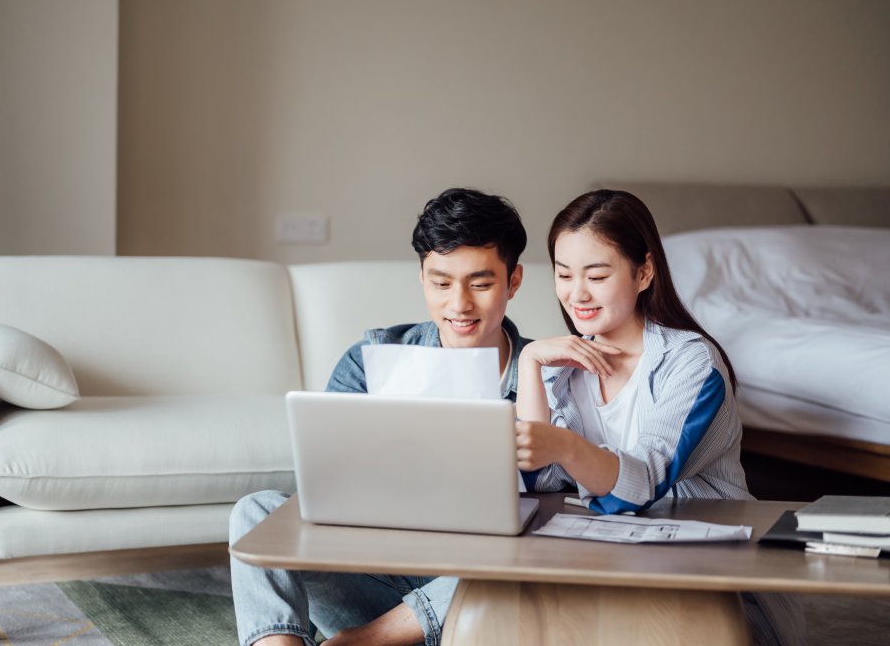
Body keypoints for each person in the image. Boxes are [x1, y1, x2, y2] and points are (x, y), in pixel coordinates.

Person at [230, 187, 531, 646]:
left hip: (477, 592)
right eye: (441, 282)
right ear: (422, 277)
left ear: (513, 281)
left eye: (481, 283)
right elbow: (323, 497)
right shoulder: (370, 361)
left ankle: (365, 641)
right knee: (255, 513)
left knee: (527, 555)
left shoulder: (546, 375)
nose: (459, 304)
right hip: (377, 576)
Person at [514, 189, 805, 645]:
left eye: (597, 275)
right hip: (610, 567)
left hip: (714, 580)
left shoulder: (693, 363)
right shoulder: (562, 368)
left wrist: (566, 445)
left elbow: (642, 483)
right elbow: (537, 478)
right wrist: (530, 360)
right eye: (564, 274)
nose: (577, 294)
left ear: (644, 271)